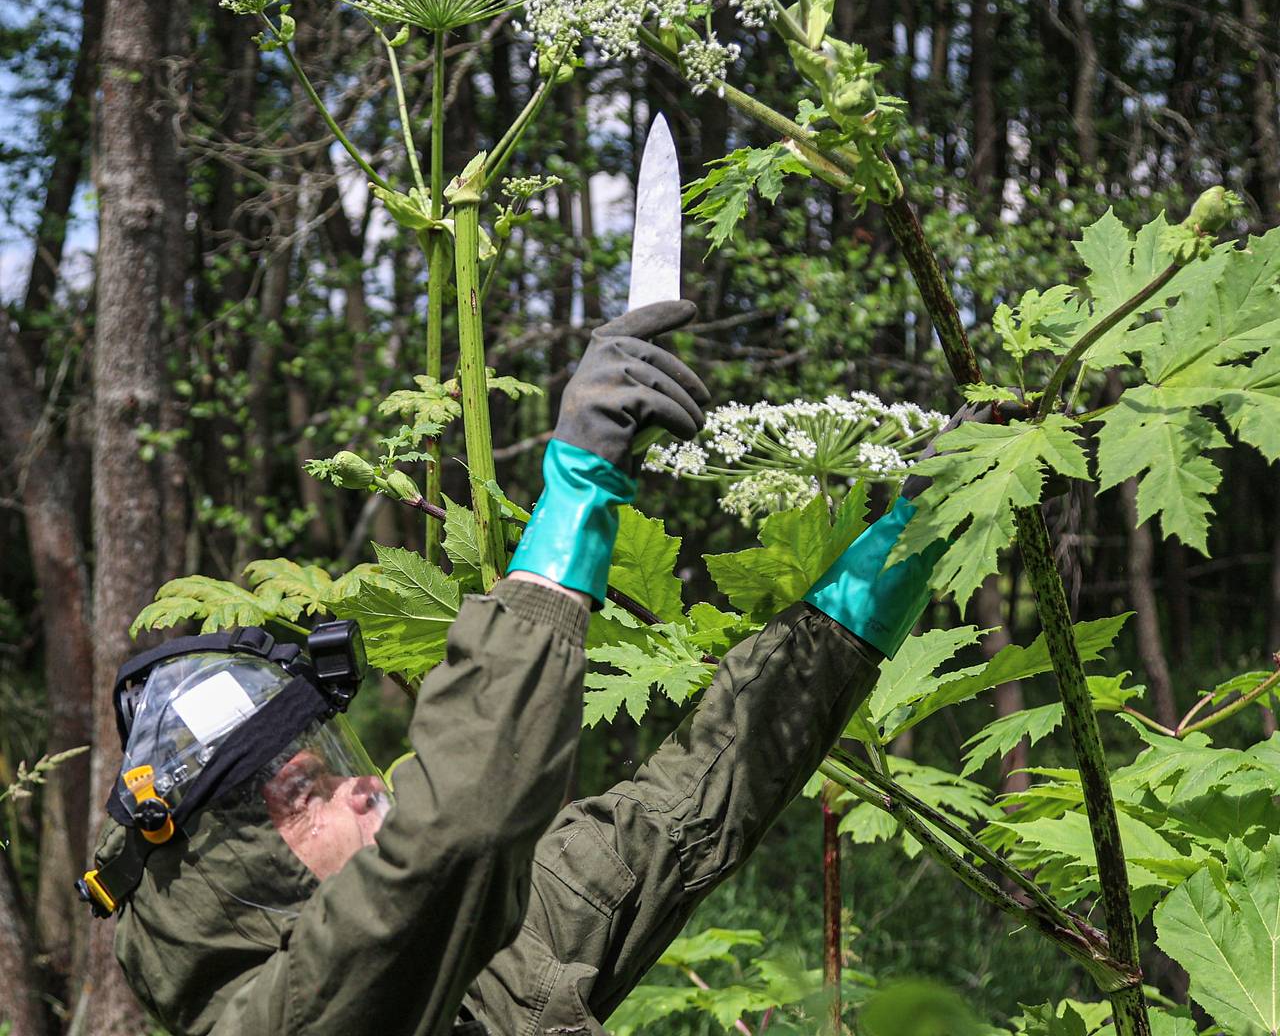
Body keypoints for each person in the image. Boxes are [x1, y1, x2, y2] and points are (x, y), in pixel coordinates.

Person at [81, 300, 957, 1036]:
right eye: (303, 792)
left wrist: (901, 549)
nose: (358, 787)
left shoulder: (478, 953)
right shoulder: (283, 1020)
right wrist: (574, 498)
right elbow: (456, 833)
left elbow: (689, 805)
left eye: (333, 759)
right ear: (235, 869)